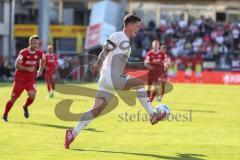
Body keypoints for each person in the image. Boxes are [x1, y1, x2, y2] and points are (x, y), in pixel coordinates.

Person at [64, 14, 169, 149]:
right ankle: (152, 113)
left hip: (108, 80)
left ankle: (72, 133)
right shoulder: (118, 36)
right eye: (137, 26)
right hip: (111, 77)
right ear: (129, 25)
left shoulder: (128, 43)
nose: (138, 29)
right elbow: (105, 50)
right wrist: (98, 63)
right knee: (139, 83)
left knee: (96, 110)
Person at [2, 35, 46, 122]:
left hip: (30, 80)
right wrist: (28, 68)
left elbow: (43, 59)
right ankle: (5, 115)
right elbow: (17, 65)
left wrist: (40, 70)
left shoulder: (40, 53)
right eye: (34, 43)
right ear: (30, 43)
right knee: (13, 99)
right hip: (20, 80)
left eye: (37, 43)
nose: (36, 45)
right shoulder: (23, 52)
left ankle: (25, 106)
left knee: (32, 94)